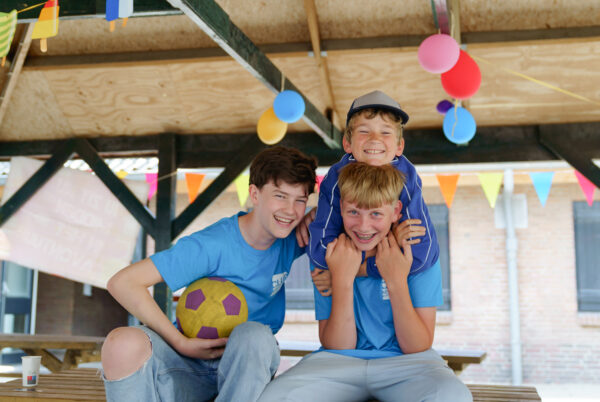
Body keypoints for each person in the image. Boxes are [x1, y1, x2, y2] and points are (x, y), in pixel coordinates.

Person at [100, 146, 323, 402]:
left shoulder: (294, 236)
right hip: (188, 365)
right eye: (280, 196)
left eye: (300, 200)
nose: (291, 210)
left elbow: (355, 207)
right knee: (121, 343)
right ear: (255, 194)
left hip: (246, 372)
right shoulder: (212, 245)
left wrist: (322, 213)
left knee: (254, 335)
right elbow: (123, 283)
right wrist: (180, 343)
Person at [259, 163, 472, 402]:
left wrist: (396, 280)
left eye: (375, 214)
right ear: (341, 208)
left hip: (409, 363)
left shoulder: (419, 253)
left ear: (396, 211)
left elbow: (417, 345)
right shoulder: (329, 253)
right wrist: (342, 278)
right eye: (353, 212)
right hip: (337, 362)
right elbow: (338, 345)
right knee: (275, 397)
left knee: (452, 395)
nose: (363, 226)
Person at [308, 90, 438, 285]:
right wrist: (392, 242)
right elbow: (320, 253)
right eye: (364, 131)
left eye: (385, 132)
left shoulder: (407, 177)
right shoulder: (335, 179)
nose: (375, 138)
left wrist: (357, 269)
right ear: (347, 143)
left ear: (399, 147)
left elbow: (421, 255)